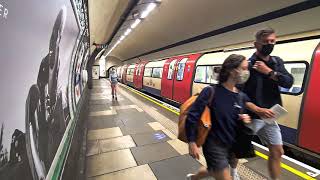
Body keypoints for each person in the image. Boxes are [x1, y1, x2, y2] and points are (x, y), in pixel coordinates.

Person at [185, 54, 252, 180]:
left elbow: (234, 119)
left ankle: (193, 178)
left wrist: (244, 120)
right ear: (232, 70)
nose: (246, 72)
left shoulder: (241, 96)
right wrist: (192, 141)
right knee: (223, 175)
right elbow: (192, 116)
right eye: (243, 68)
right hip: (214, 145)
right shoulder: (211, 92)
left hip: (232, 145)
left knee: (212, 170)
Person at [241, 28, 294, 180]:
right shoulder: (247, 65)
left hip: (270, 117)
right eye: (265, 42)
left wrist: (270, 72)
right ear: (256, 44)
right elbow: (238, 93)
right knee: (236, 151)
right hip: (250, 117)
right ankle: (229, 172)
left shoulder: (277, 62)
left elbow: (289, 82)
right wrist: (257, 109)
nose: (269, 44)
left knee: (277, 152)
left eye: (272, 41)